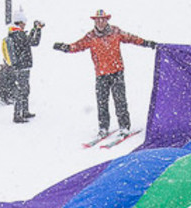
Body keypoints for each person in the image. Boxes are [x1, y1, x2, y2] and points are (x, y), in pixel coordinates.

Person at [53, 10, 156, 139]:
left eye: (103, 19)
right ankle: (103, 128)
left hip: (116, 72)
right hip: (101, 74)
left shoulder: (115, 32)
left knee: (120, 101)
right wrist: (65, 47)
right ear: (94, 21)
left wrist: (146, 43)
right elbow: (78, 46)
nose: (100, 22)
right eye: (98, 20)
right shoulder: (91, 37)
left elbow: (132, 38)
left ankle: (124, 126)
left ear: (107, 20)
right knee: (102, 102)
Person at [2, 18, 43, 123]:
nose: (25, 25)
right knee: (22, 91)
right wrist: (38, 30)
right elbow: (34, 42)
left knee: (24, 89)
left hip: (19, 66)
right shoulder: (19, 35)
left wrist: (34, 29)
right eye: (23, 23)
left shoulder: (14, 34)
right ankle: (18, 115)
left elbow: (28, 40)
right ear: (20, 23)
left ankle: (24, 111)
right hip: (22, 66)